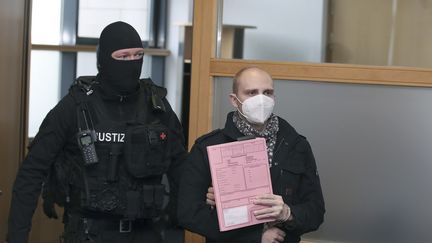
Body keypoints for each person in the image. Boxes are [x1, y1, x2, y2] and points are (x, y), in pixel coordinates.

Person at [6, 21, 186, 243]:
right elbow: (31, 173)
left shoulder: (157, 107)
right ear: (104, 59)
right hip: (88, 234)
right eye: (123, 56)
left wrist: (181, 224)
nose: (132, 63)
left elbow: (182, 171)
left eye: (138, 55)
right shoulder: (75, 106)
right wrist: (17, 236)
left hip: (146, 233)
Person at [177, 67, 325, 243]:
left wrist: (287, 213)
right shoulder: (209, 146)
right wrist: (254, 237)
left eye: (267, 92)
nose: (261, 100)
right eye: (251, 93)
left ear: (274, 98)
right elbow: (188, 213)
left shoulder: (296, 145)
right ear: (234, 100)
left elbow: (315, 212)